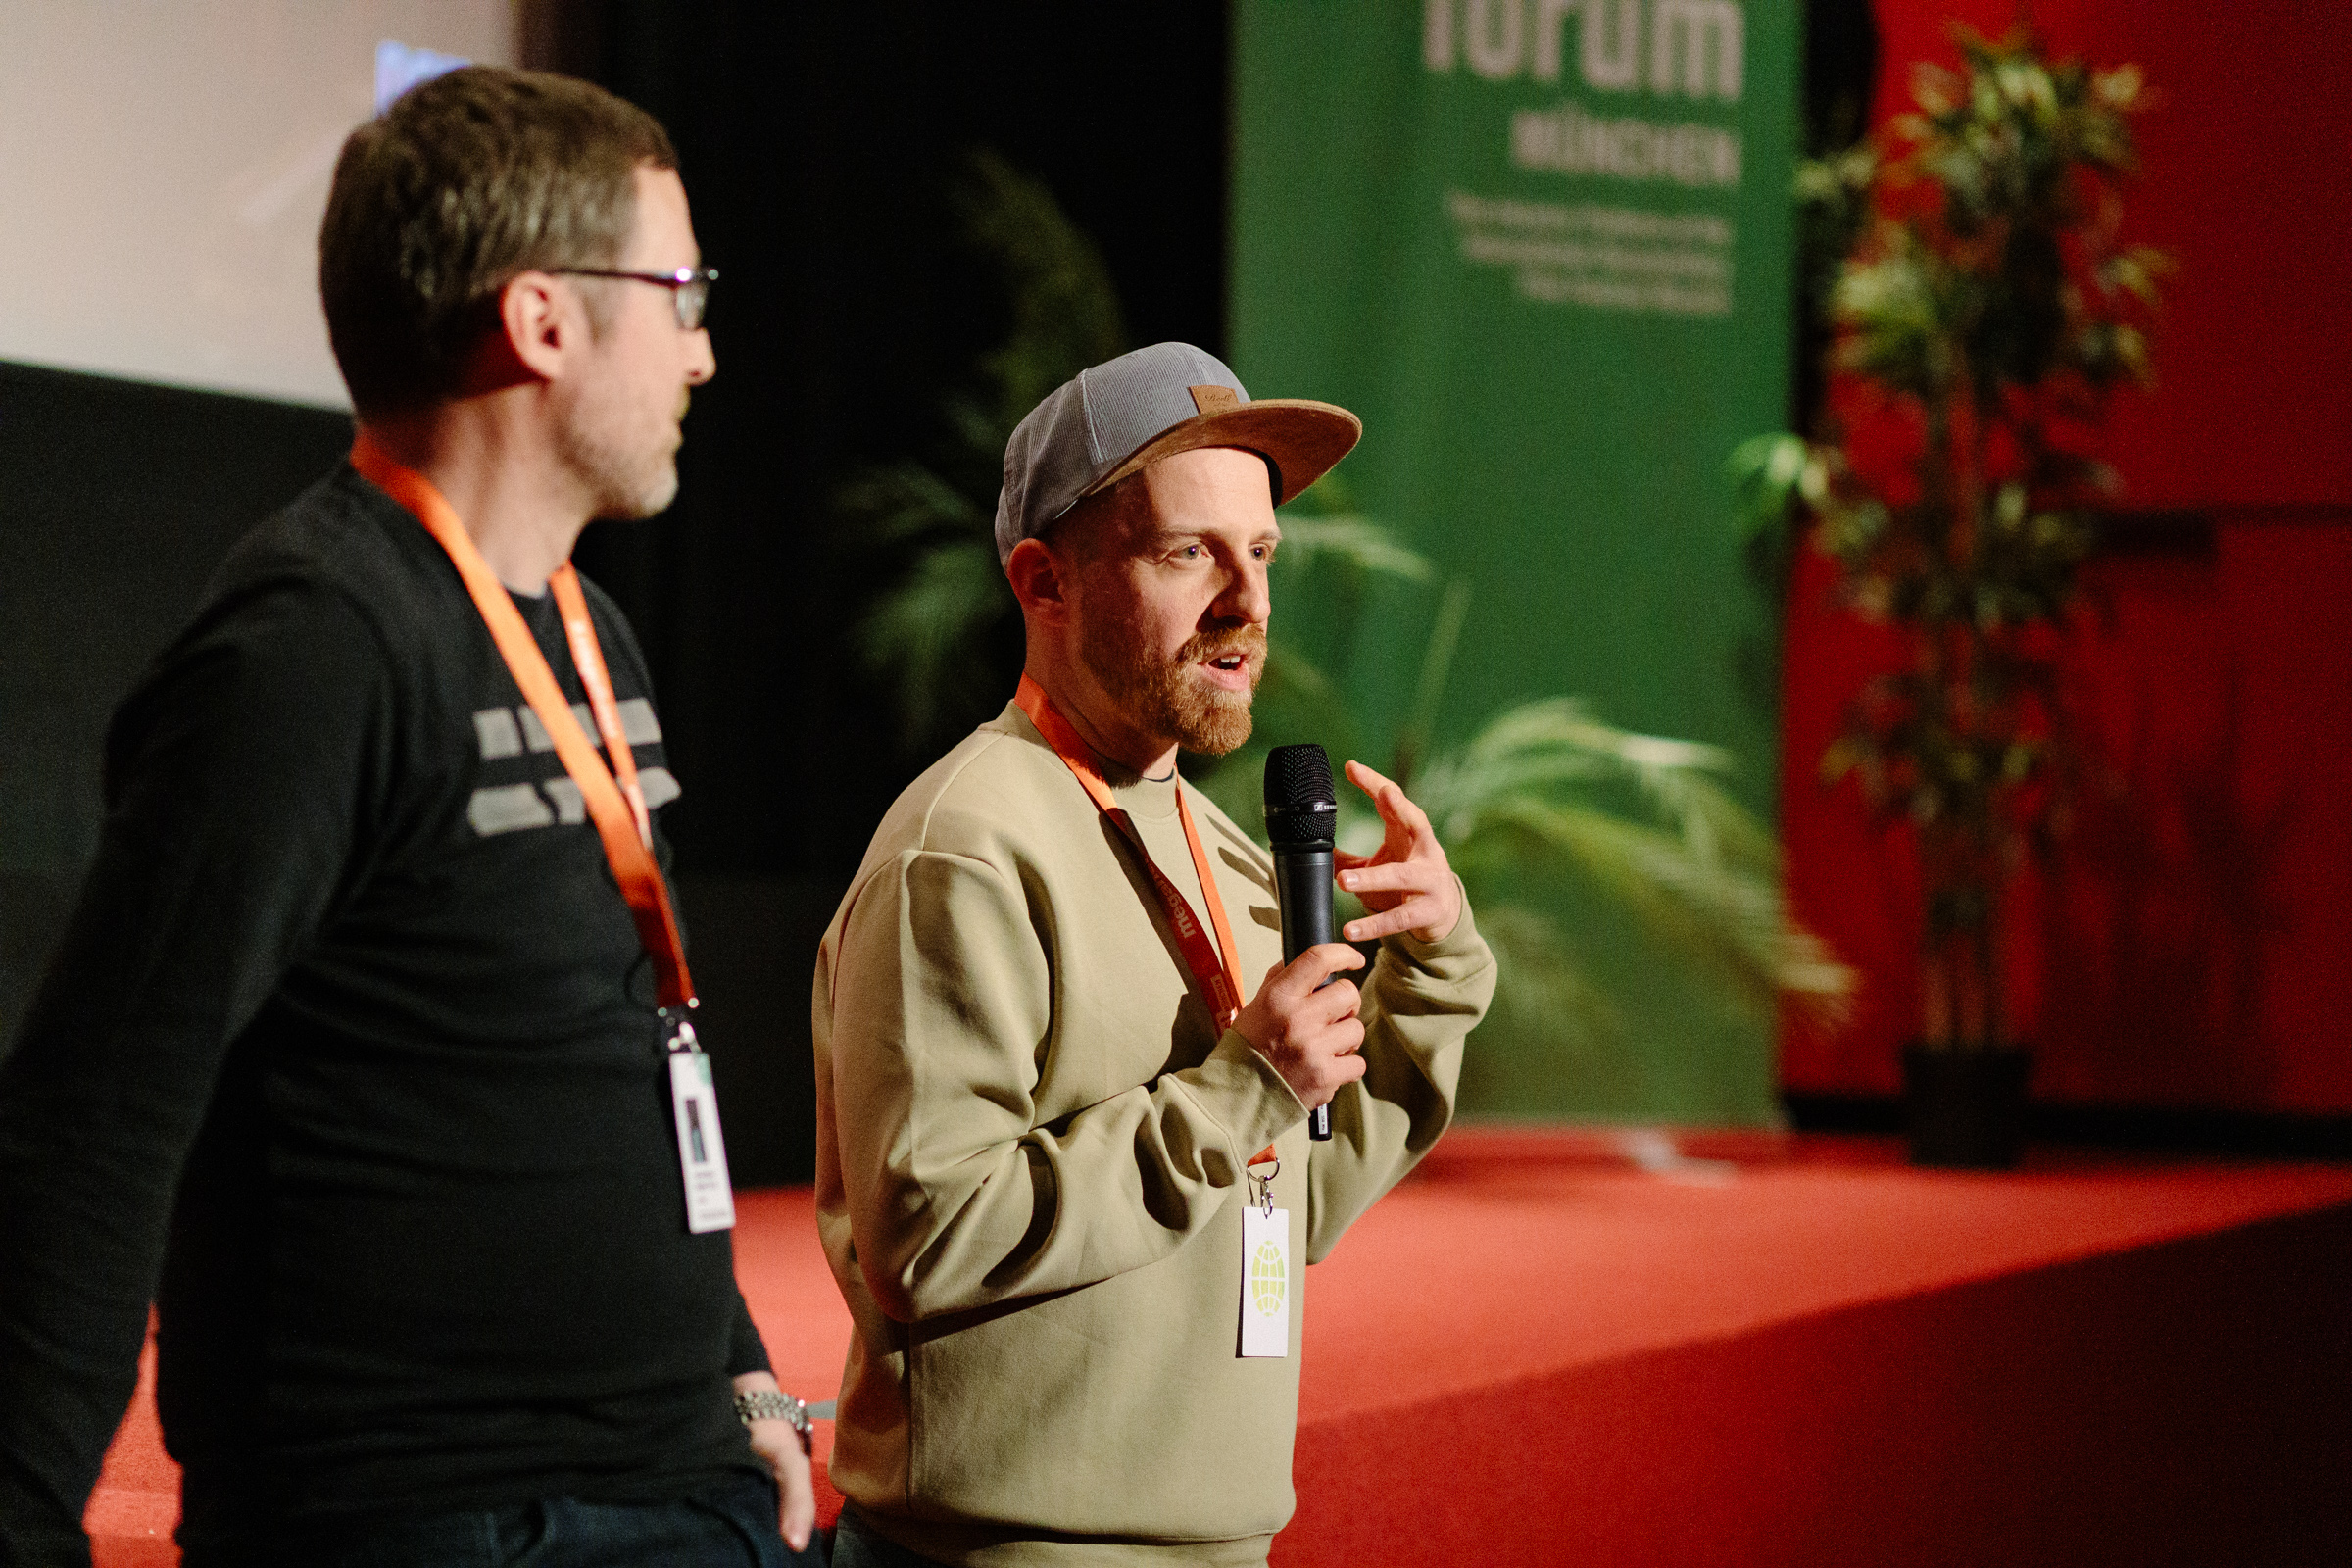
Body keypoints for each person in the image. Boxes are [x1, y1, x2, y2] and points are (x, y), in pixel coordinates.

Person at [0, 67, 818, 1567]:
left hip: (677, 1483)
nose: (704, 350)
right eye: (681, 294)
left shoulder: (588, 629)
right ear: (543, 320)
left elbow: (633, 1048)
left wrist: (737, 1370)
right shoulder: (311, 647)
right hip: (440, 1520)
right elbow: (97, 1122)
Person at [812, 342, 1497, 1566]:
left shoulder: (1226, 848)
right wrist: (1239, 1091)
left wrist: (1434, 974)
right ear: (1045, 581)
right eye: (1189, 554)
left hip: (1220, 1542)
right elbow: (928, 1235)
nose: (1248, 603)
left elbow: (1293, 1201)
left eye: (1262, 552)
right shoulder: (963, 848)